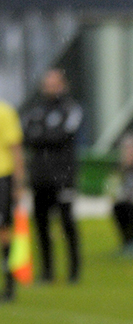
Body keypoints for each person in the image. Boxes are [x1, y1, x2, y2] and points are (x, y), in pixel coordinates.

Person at [21, 68, 83, 284]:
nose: (48, 87)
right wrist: (45, 135)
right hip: (40, 176)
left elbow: (62, 136)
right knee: (41, 224)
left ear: (62, 84)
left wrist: (41, 136)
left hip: (62, 175)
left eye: (53, 83)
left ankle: (74, 271)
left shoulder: (71, 108)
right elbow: (26, 134)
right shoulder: (36, 109)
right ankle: (47, 272)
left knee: (67, 223)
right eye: (46, 83)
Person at [1, 97, 25, 302]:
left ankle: (9, 284)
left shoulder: (5, 112)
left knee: (3, 231)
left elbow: (16, 150)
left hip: (2, 178)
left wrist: (18, 183)